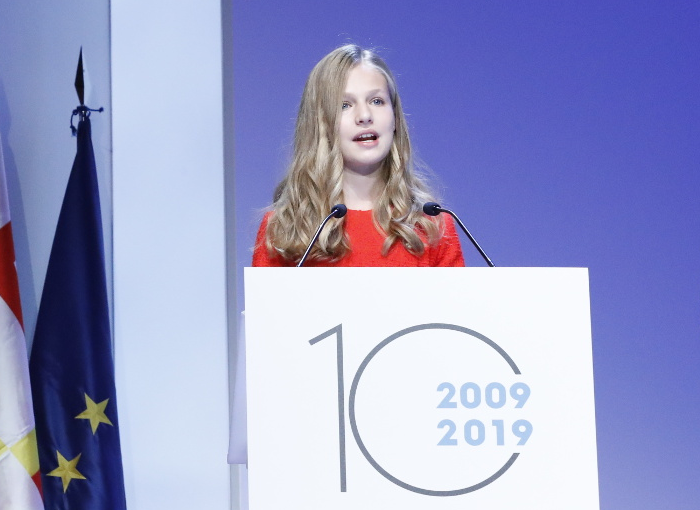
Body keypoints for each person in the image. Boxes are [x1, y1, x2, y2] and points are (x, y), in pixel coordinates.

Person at [252, 44, 464, 267]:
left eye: (377, 101)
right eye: (345, 105)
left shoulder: (433, 226)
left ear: (395, 119)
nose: (364, 116)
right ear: (320, 124)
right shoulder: (285, 229)